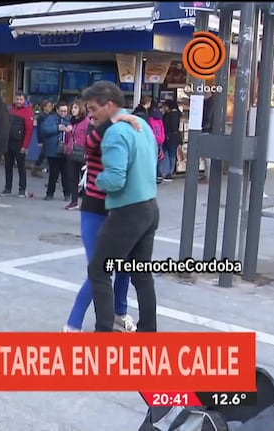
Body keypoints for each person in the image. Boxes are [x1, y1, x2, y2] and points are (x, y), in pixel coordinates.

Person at [82, 81, 160, 333]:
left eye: (93, 108)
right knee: (141, 273)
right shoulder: (143, 125)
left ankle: (103, 332)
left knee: (99, 269)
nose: (90, 114)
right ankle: (148, 331)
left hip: (128, 211)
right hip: (150, 207)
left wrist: (95, 179)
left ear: (109, 105)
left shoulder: (115, 133)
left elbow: (115, 180)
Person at [64, 111, 142, 332]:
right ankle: (72, 323)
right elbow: (91, 144)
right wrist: (115, 120)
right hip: (95, 210)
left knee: (124, 264)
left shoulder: (122, 136)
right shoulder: (96, 134)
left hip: (119, 212)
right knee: (99, 270)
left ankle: (119, 311)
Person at [2, 91, 34, 198]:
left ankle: (22, 189)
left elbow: (29, 131)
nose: (19, 101)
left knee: (21, 167)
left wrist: (25, 146)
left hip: (19, 143)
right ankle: (7, 188)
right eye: (17, 99)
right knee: (8, 166)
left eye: (21, 99)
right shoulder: (9, 109)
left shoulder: (27, 111)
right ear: (14, 99)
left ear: (24, 100)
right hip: (8, 142)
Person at [39, 102, 72, 201]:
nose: (63, 113)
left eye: (65, 111)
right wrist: (57, 128)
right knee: (53, 174)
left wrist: (70, 129)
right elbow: (44, 129)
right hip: (53, 150)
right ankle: (50, 193)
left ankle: (67, 194)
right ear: (57, 110)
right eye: (61, 111)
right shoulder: (50, 118)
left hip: (66, 150)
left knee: (66, 174)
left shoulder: (69, 119)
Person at [62, 100, 89, 210]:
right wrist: (67, 131)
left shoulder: (86, 122)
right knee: (72, 178)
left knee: (85, 180)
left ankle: (86, 203)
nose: (73, 110)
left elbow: (89, 138)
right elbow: (68, 138)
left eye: (76, 108)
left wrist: (88, 153)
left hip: (82, 153)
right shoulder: (71, 122)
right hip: (71, 152)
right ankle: (74, 201)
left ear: (81, 109)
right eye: (72, 108)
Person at [30, 100, 54, 177]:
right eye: (49, 106)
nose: (51, 107)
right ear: (44, 107)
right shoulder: (42, 117)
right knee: (44, 155)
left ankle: (35, 168)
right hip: (44, 139)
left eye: (51, 106)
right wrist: (40, 141)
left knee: (43, 155)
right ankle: (35, 168)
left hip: (48, 138)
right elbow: (39, 130)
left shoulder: (49, 116)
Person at [162, 100, 182, 180]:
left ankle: (170, 171)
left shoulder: (171, 115)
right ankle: (170, 171)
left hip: (170, 137)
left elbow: (170, 126)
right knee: (172, 154)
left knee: (170, 154)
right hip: (175, 137)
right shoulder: (177, 114)